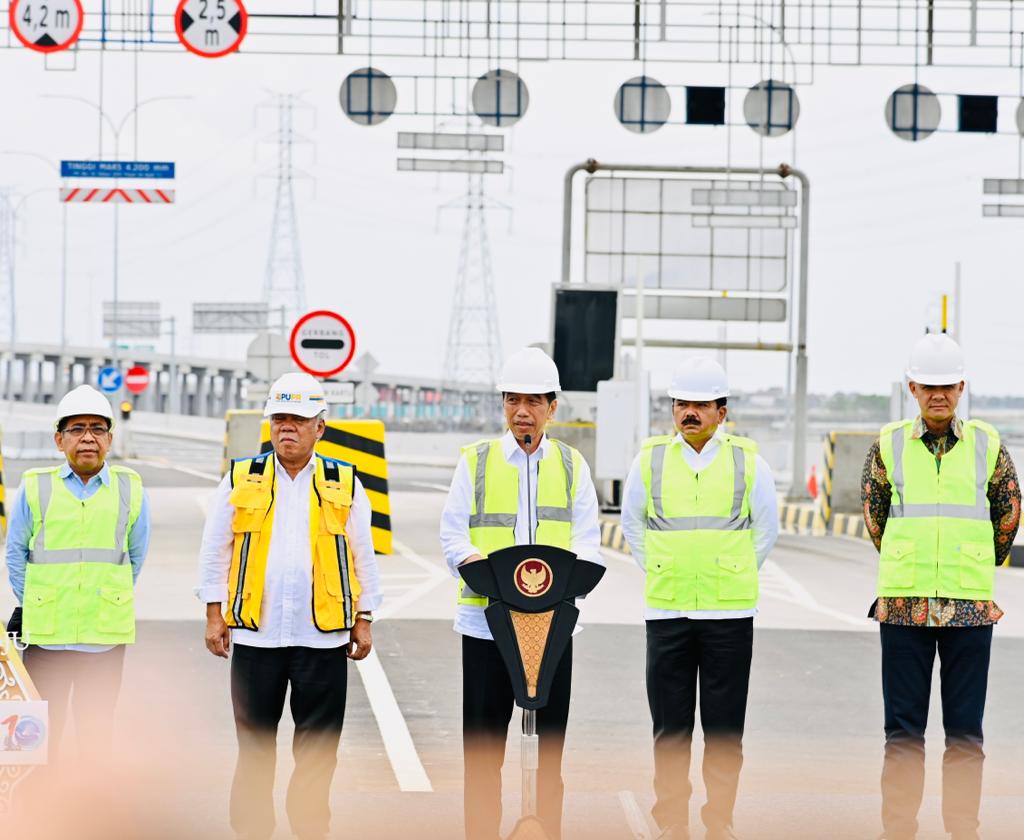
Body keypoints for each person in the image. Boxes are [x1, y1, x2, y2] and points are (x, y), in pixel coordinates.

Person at [196, 372, 382, 840]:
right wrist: (213, 614)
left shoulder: (344, 481)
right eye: (279, 418)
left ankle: (309, 830)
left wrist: (364, 617)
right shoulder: (242, 477)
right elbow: (215, 546)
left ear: (319, 426)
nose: (287, 428)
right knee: (254, 747)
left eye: (297, 419)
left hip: (322, 636)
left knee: (318, 750)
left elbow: (363, 552)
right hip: (258, 635)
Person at [440, 347, 602, 840]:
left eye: (533, 400)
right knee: (483, 752)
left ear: (553, 407)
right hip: (486, 628)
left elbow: (588, 546)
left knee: (548, 751)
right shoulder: (476, 462)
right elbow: (453, 538)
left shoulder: (573, 467)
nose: (522, 411)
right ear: (503, 405)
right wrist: (485, 573)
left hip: (551, 631)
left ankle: (544, 831)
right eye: (513, 400)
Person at [861, 334, 1019, 840]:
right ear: (912, 388)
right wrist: (908, 560)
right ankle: (899, 830)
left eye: (947, 387)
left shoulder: (988, 445)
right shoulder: (887, 446)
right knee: (903, 735)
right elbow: (874, 517)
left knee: (965, 736)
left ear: (961, 388)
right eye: (928, 386)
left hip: (970, 610)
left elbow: (1009, 513)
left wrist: (977, 560)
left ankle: (962, 831)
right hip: (904, 608)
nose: (938, 395)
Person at [621, 357, 778, 840]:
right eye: (681, 404)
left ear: (721, 411)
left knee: (724, 730)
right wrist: (666, 570)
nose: (689, 412)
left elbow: (765, 532)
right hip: (667, 612)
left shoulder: (748, 462)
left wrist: (729, 573)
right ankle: (671, 819)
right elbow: (633, 527)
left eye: (700, 405)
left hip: (728, 614)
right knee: (670, 729)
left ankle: (719, 821)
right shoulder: (648, 460)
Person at [5, 384, 151, 758]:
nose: (88, 438)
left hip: (103, 641)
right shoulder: (35, 487)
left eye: (97, 429)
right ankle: (35, 813)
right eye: (77, 429)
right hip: (46, 641)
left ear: (110, 438)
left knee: (95, 741)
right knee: (34, 744)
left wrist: (106, 598)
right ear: (59, 439)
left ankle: (90, 812)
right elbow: (15, 553)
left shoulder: (130, 489)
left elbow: (134, 557)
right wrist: (38, 601)